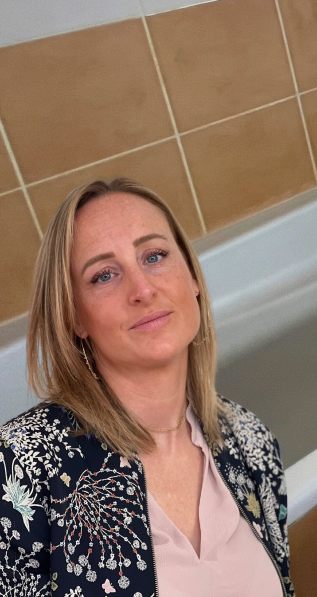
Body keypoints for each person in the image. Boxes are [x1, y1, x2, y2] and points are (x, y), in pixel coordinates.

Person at [0, 178, 292, 596]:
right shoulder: (19, 469)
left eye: (154, 256)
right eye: (104, 275)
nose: (142, 289)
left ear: (192, 277)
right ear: (74, 318)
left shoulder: (252, 442)